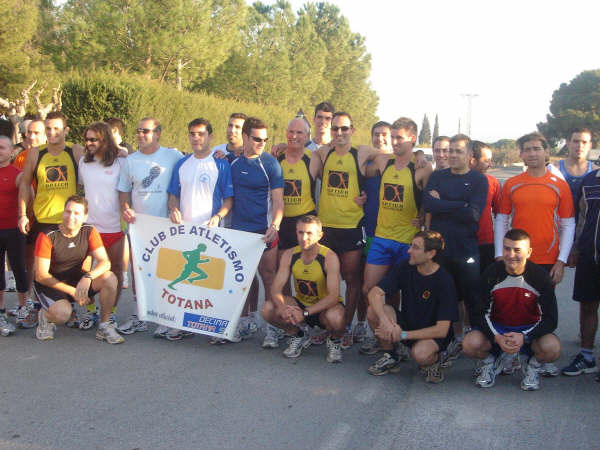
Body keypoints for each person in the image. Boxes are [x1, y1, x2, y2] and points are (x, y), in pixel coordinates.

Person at [360, 118, 432, 354]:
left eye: (399, 137)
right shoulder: (384, 160)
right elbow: (362, 154)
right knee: (370, 289)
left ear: (411, 138)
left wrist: (422, 218)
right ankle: (384, 333)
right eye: (392, 137)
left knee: (398, 292)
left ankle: (394, 339)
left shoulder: (422, 168)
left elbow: (428, 203)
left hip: (407, 241)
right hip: (381, 237)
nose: (394, 142)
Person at [310, 111, 379, 349]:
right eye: (336, 128)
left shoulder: (363, 153)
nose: (340, 133)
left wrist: (420, 156)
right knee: (324, 278)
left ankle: (347, 326)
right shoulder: (322, 152)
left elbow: (393, 158)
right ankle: (326, 325)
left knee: (351, 279)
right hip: (326, 226)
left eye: (344, 129)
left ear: (352, 130)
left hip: (351, 227)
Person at [463, 229, 560, 391]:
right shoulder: (491, 273)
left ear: (528, 252)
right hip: (498, 331)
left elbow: (551, 319)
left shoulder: (540, 277)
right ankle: (490, 362)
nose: (511, 255)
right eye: (506, 249)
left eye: (517, 250)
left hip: (528, 333)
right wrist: (497, 337)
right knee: (469, 344)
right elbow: (477, 313)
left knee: (553, 348)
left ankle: (532, 365)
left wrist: (524, 336)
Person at [423, 134, 488, 363]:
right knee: (443, 299)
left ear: (470, 156)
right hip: (440, 250)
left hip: (466, 250)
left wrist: (443, 204)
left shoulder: (479, 180)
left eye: (457, 151)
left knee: (472, 299)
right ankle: (446, 344)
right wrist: (460, 204)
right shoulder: (437, 176)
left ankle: (482, 351)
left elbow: (473, 215)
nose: (451, 155)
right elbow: (428, 204)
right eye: (449, 150)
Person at [167, 118, 233, 340]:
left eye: (201, 134)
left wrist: (218, 217)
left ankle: (215, 327)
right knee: (186, 280)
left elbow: (229, 200)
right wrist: (173, 209)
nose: (196, 138)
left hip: (211, 231)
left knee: (213, 280)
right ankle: (183, 323)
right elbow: (173, 194)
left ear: (210, 137)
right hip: (184, 232)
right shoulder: (182, 164)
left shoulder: (220, 165)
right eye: (192, 134)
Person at [17, 112, 85, 328]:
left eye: (56, 128)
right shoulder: (36, 153)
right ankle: (39, 309)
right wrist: (22, 214)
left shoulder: (75, 151)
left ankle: (70, 308)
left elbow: (97, 164)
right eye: (48, 129)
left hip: (69, 221)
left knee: (70, 266)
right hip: (44, 220)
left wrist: (120, 153)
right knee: (41, 269)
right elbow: (25, 184)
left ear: (66, 130)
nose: (52, 133)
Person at [117, 117, 182, 336]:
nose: (140, 134)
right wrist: (126, 208)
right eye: (138, 131)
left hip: (165, 226)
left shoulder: (172, 156)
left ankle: (168, 317)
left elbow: (195, 162)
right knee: (138, 272)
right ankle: (140, 314)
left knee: (166, 273)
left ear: (158, 133)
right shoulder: (130, 161)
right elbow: (124, 190)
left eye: (146, 131)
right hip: (139, 228)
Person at [365, 231, 458, 383]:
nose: (409, 251)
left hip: (432, 334)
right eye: (411, 246)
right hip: (406, 325)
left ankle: (435, 361)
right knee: (373, 311)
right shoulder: (405, 266)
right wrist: (386, 323)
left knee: (420, 354)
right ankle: (391, 356)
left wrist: (402, 335)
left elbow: (441, 330)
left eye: (415, 248)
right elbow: (374, 293)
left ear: (431, 253)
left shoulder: (444, 280)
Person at [33, 195, 123, 344]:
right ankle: (45, 317)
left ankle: (104, 326)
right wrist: (72, 291)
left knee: (110, 278)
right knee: (63, 314)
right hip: (51, 285)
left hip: (78, 281)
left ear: (85, 216)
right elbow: (41, 276)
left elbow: (104, 262)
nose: (71, 217)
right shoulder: (47, 235)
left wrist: (87, 277)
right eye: (68, 212)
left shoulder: (89, 231)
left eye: (76, 213)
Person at [230, 117, 284, 346]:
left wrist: (275, 225)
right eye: (256, 138)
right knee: (243, 278)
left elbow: (279, 202)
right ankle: (245, 321)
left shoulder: (270, 164)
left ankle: (274, 327)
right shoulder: (231, 162)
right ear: (245, 136)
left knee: (269, 278)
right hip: (239, 233)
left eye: (265, 139)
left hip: (264, 232)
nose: (261, 143)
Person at [263, 215, 345, 362]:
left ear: (320, 235)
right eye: (300, 232)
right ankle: (297, 335)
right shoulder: (289, 254)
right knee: (268, 309)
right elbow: (275, 289)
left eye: (309, 233)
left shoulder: (329, 257)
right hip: (300, 306)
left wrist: (305, 313)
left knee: (337, 318)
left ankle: (334, 340)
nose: (303, 237)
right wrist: (282, 308)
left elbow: (333, 296)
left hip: (323, 308)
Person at [78, 122, 126, 330]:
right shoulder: (83, 163)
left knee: (114, 272)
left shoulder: (120, 162)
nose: (88, 143)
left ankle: (111, 313)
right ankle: (90, 312)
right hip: (89, 228)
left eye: (93, 140)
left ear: (105, 139)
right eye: (86, 139)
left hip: (114, 227)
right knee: (84, 272)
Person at [561, 167, 600, 380]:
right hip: (588, 255)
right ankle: (586, 356)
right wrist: (575, 248)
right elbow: (581, 217)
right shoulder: (589, 180)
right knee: (587, 305)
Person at [0, 136, 28, 336]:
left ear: (11, 152)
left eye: (2, 148)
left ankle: (22, 307)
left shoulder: (18, 175)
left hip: (14, 230)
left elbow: (29, 198)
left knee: (19, 267)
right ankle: (1, 310)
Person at [469, 141, 501, 273]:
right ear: (472, 160)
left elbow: (500, 215)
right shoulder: (453, 180)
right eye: (486, 160)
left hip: (486, 244)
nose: (490, 164)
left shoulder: (493, 182)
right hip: (462, 243)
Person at [553, 127, 598, 205]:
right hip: (561, 216)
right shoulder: (554, 170)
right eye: (576, 141)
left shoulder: (596, 172)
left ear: (590, 146)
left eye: (584, 142)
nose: (580, 145)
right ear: (568, 143)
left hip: (585, 217)